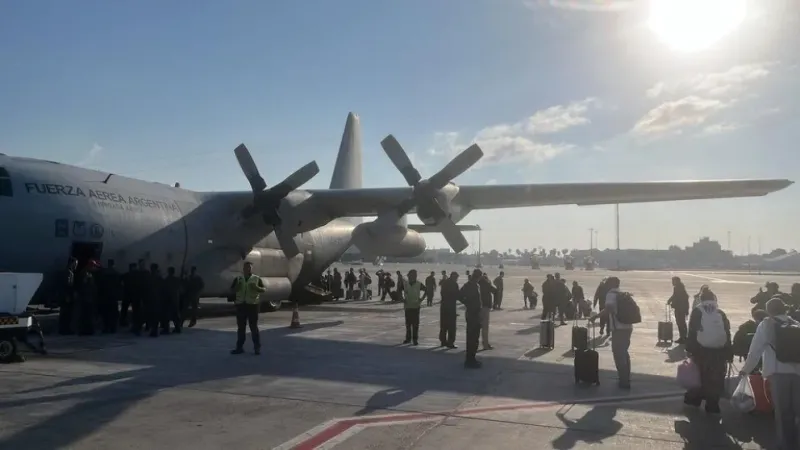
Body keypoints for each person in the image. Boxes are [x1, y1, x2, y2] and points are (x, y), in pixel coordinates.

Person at [740, 298, 800, 450]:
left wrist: (746, 369)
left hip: (778, 374)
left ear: (769, 310)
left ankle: (786, 445)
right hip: (798, 373)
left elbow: (755, 350)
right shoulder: (795, 324)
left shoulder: (766, 325)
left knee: (783, 413)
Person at [684, 288, 732, 414]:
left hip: (701, 351)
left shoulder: (697, 311)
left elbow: (692, 331)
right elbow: (727, 332)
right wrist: (728, 352)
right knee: (715, 379)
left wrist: (689, 349)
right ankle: (713, 405)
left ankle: (694, 400)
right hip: (718, 352)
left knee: (699, 377)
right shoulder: (720, 312)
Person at [589, 276, 632, 389]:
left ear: (611, 284)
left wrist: (595, 317)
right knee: (624, 353)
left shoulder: (611, 294)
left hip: (618, 328)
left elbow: (607, 309)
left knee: (618, 355)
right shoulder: (622, 293)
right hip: (628, 327)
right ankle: (626, 378)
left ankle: (624, 382)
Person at [230, 261, 266, 355]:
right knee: (241, 328)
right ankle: (239, 347)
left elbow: (263, 289)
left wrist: (256, 287)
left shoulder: (256, 279)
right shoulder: (238, 279)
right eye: (246, 267)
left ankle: (257, 348)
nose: (248, 269)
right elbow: (232, 290)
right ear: (243, 269)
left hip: (252, 305)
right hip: (241, 305)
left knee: (253, 328)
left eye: (249, 267)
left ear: (252, 268)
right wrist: (236, 288)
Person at [459, 270, 483, 368]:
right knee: (471, 338)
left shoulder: (476, 285)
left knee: (475, 338)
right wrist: (467, 303)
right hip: (472, 314)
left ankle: (472, 358)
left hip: (476, 314)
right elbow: (459, 295)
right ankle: (469, 360)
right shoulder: (468, 285)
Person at [58, 257, 78, 335]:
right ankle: (66, 330)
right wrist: (69, 296)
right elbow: (68, 286)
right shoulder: (69, 273)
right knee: (67, 314)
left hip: (64, 296)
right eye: (75, 264)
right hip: (67, 297)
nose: (76, 266)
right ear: (72, 263)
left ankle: (63, 329)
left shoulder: (65, 272)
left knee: (63, 314)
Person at [667, 276, 690, 344]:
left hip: (680, 309)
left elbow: (678, 298)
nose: (672, 283)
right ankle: (683, 337)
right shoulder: (679, 287)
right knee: (681, 323)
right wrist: (670, 300)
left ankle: (683, 337)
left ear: (676, 281)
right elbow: (674, 296)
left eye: (673, 281)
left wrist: (672, 303)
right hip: (681, 308)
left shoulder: (678, 288)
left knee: (681, 323)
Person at [402, 269, 423, 345]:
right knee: (408, 324)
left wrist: (421, 299)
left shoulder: (419, 284)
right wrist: (402, 299)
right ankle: (408, 339)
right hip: (408, 307)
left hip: (416, 307)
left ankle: (415, 339)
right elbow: (399, 290)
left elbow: (426, 290)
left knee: (415, 325)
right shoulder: (405, 284)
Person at [439, 272, 459, 348]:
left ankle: (443, 341)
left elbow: (442, 293)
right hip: (451, 307)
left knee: (443, 325)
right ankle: (450, 342)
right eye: (456, 277)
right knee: (452, 326)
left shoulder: (445, 283)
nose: (457, 279)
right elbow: (457, 295)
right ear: (454, 277)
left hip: (444, 306)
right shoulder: (454, 284)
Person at [479, 273, 496, 350]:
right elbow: (495, 291)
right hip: (485, 307)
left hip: (477, 307)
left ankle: (473, 344)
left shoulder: (476, 284)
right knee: (485, 327)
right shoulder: (486, 283)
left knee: (475, 327)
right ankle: (485, 344)